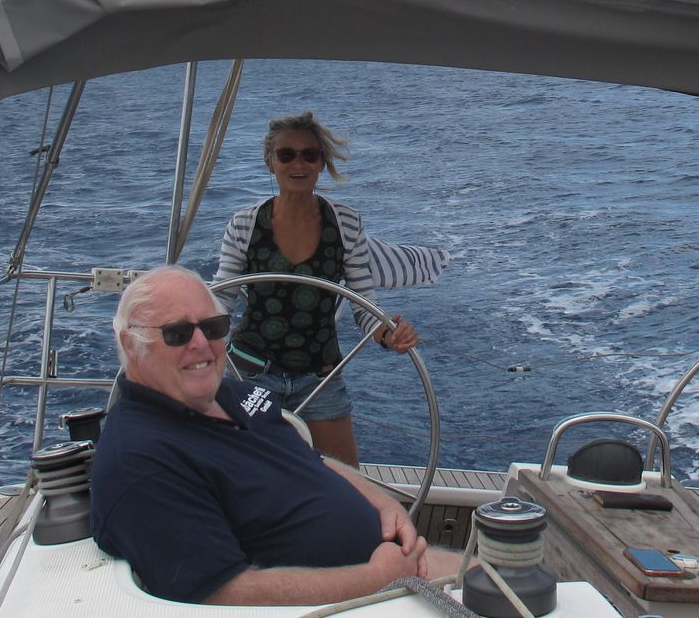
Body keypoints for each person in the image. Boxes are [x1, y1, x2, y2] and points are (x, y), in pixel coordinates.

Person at [89, 266, 461, 605]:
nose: (201, 343)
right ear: (130, 344)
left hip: (395, 572)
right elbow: (222, 593)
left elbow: (309, 460)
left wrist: (383, 504)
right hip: (359, 601)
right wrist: (377, 578)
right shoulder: (141, 461)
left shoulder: (229, 394)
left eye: (213, 327)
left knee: (494, 575)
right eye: (177, 333)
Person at [214, 111, 425, 466]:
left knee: (346, 481)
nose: (298, 164)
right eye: (286, 155)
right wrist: (192, 338)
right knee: (248, 478)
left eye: (309, 155)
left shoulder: (346, 223)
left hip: (320, 377)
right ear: (270, 162)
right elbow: (221, 298)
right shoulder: (244, 224)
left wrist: (389, 335)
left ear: (322, 162)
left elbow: (363, 303)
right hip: (250, 371)